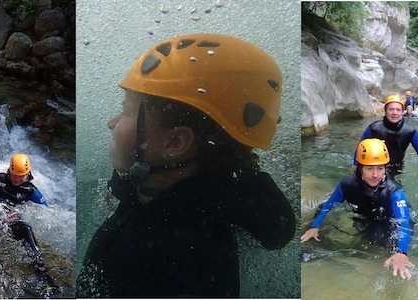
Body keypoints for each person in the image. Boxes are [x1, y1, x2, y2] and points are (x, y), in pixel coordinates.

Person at [76, 33, 295, 297]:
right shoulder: (216, 199)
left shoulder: (158, 262)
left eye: (127, 110)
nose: (112, 122)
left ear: (175, 142)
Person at [301, 139, 414, 279]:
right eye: (369, 168)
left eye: (380, 168)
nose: (375, 175)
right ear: (360, 168)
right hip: (367, 216)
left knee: (379, 241)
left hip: (390, 218)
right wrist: (315, 226)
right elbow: (327, 205)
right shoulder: (347, 185)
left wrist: (401, 252)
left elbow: (403, 222)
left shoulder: (394, 191)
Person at [0, 154, 57, 294]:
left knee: (26, 229)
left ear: (27, 174)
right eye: (15, 175)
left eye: (21, 175)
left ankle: (42, 273)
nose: (17, 179)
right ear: (9, 171)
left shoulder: (31, 190)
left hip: (11, 213)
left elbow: (48, 210)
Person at [354, 94, 418, 178]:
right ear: (385, 111)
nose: (394, 113)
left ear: (402, 111)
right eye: (391, 109)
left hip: (396, 168)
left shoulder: (410, 131)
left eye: (398, 110)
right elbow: (360, 148)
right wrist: (355, 165)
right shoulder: (374, 128)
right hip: (375, 167)